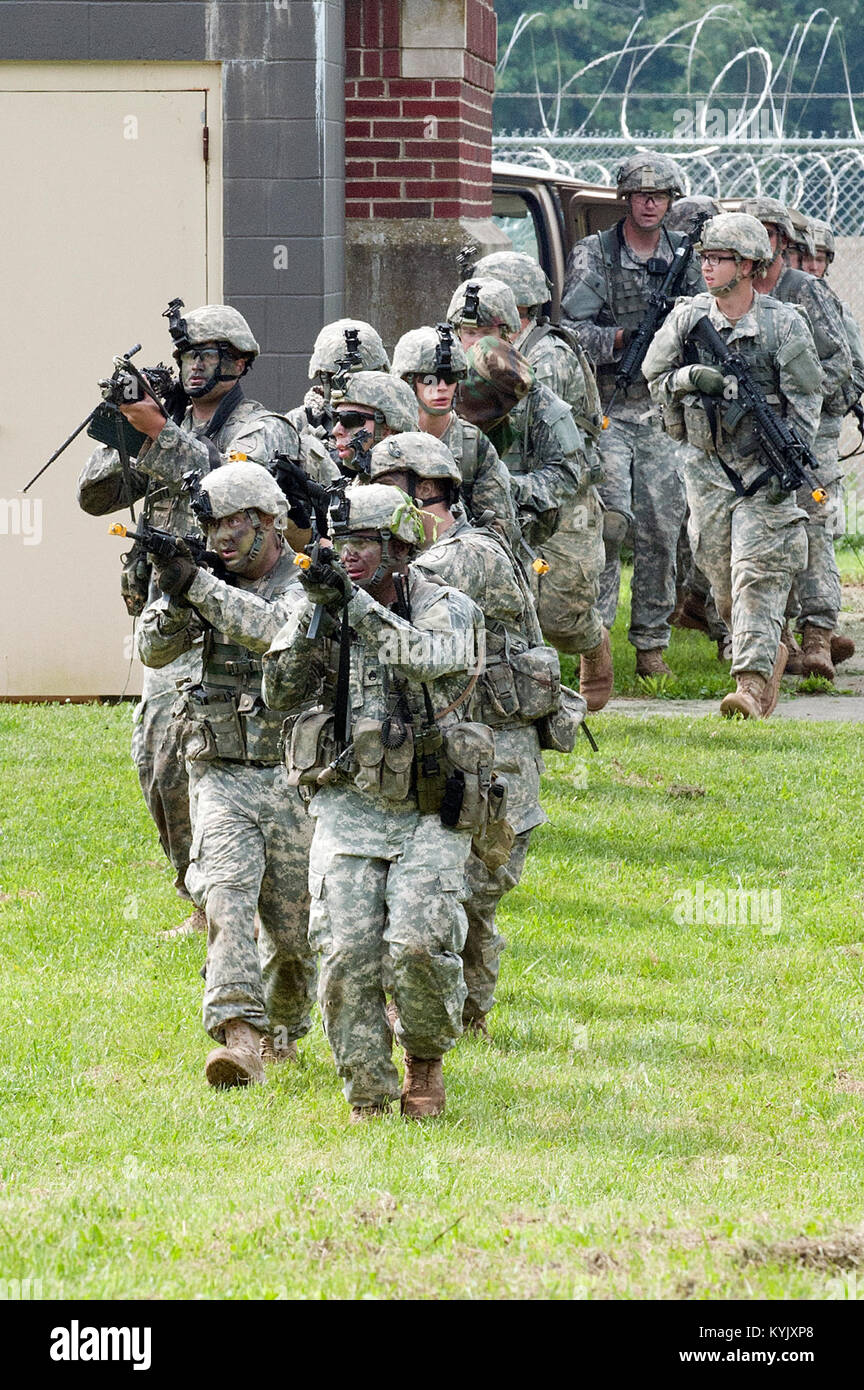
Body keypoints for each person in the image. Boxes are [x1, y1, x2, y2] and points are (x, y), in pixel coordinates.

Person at [262, 484, 485, 1122]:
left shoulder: (450, 608)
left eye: (364, 543)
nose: (349, 556)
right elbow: (278, 690)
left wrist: (354, 605)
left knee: (419, 943)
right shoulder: (321, 603)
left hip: (428, 806)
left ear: (400, 547)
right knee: (344, 951)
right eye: (341, 544)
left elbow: (423, 660)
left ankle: (423, 1061)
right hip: (347, 802)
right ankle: (367, 1088)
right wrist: (313, 613)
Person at [77, 304, 300, 936]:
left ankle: (258, 902)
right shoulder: (168, 419)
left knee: (240, 756)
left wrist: (161, 434)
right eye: (186, 357)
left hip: (242, 612)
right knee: (159, 759)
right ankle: (201, 898)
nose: (194, 368)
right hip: (172, 613)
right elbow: (94, 496)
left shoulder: (263, 428)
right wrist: (125, 425)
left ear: (240, 362)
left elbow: (236, 486)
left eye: (207, 355)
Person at [364, 431, 554, 1037]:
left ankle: (467, 1014)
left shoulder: (467, 554)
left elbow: (390, 599)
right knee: (440, 886)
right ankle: (435, 1010)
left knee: (478, 887)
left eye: (384, 496)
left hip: (501, 749)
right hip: (459, 741)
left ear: (427, 491)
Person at [136, 460, 317, 1087]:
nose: (219, 537)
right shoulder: (202, 579)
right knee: (227, 894)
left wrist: (201, 587)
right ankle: (237, 1036)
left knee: (295, 934)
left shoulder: (307, 585)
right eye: (210, 526)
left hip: (295, 776)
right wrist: (180, 591)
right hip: (219, 770)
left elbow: (275, 633)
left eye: (233, 524)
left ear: (269, 523)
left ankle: (282, 1031)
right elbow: (152, 649)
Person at [643, 213, 823, 718]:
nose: (707, 267)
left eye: (718, 259)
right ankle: (771, 645)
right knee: (721, 577)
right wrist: (688, 379)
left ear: (747, 266)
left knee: (756, 575)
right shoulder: (687, 319)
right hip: (706, 469)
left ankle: (749, 681)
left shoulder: (784, 325)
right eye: (704, 257)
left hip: (765, 473)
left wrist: (788, 457)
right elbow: (652, 373)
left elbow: (806, 399)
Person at [562, 154, 705, 677]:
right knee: (609, 526)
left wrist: (672, 338)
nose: (650, 203)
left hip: (662, 412)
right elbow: (573, 332)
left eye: (661, 196)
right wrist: (624, 338)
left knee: (663, 529)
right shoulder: (595, 254)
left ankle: (651, 645)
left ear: (670, 202)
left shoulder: (686, 257)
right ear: (627, 199)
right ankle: (594, 644)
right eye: (642, 195)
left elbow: (704, 326)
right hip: (608, 408)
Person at [447, 278, 613, 710]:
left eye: (482, 332)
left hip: (548, 509)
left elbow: (568, 470)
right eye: (463, 332)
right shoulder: (437, 386)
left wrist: (507, 487)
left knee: (560, 615)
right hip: (466, 511)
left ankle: (594, 642)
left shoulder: (537, 394)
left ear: (508, 332)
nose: (471, 343)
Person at [742, 196, 856, 681]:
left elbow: (841, 365)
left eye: (768, 233)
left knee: (813, 525)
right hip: (753, 435)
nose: (759, 243)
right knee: (766, 531)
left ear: (782, 242)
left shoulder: (805, 291)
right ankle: (778, 636)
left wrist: (798, 396)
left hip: (811, 432)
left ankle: (818, 635)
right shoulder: (730, 293)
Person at [390, 323, 517, 536]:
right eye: (430, 379)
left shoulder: (474, 445)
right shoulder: (390, 441)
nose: (441, 387)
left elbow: (499, 528)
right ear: (409, 382)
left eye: (450, 379)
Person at [288, 318, 390, 486]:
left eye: (365, 381)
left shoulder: (397, 421)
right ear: (325, 380)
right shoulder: (298, 425)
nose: (354, 390)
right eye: (343, 381)